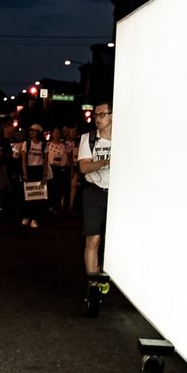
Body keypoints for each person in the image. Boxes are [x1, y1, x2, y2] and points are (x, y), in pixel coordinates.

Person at [77, 101, 113, 292]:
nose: (97, 118)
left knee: (115, 239)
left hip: (118, 194)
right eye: (96, 115)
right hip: (94, 191)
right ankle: (93, 284)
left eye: (102, 114)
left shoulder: (124, 139)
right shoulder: (89, 138)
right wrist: (106, 162)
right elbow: (84, 167)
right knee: (93, 239)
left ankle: (108, 272)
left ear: (113, 116)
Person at [20, 123, 49, 228]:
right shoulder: (26, 143)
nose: (31, 132)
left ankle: (35, 218)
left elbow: (45, 161)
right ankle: (26, 216)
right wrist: (25, 173)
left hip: (39, 170)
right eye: (30, 131)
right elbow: (24, 159)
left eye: (33, 130)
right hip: (29, 169)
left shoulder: (44, 144)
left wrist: (45, 175)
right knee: (27, 195)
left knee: (38, 195)